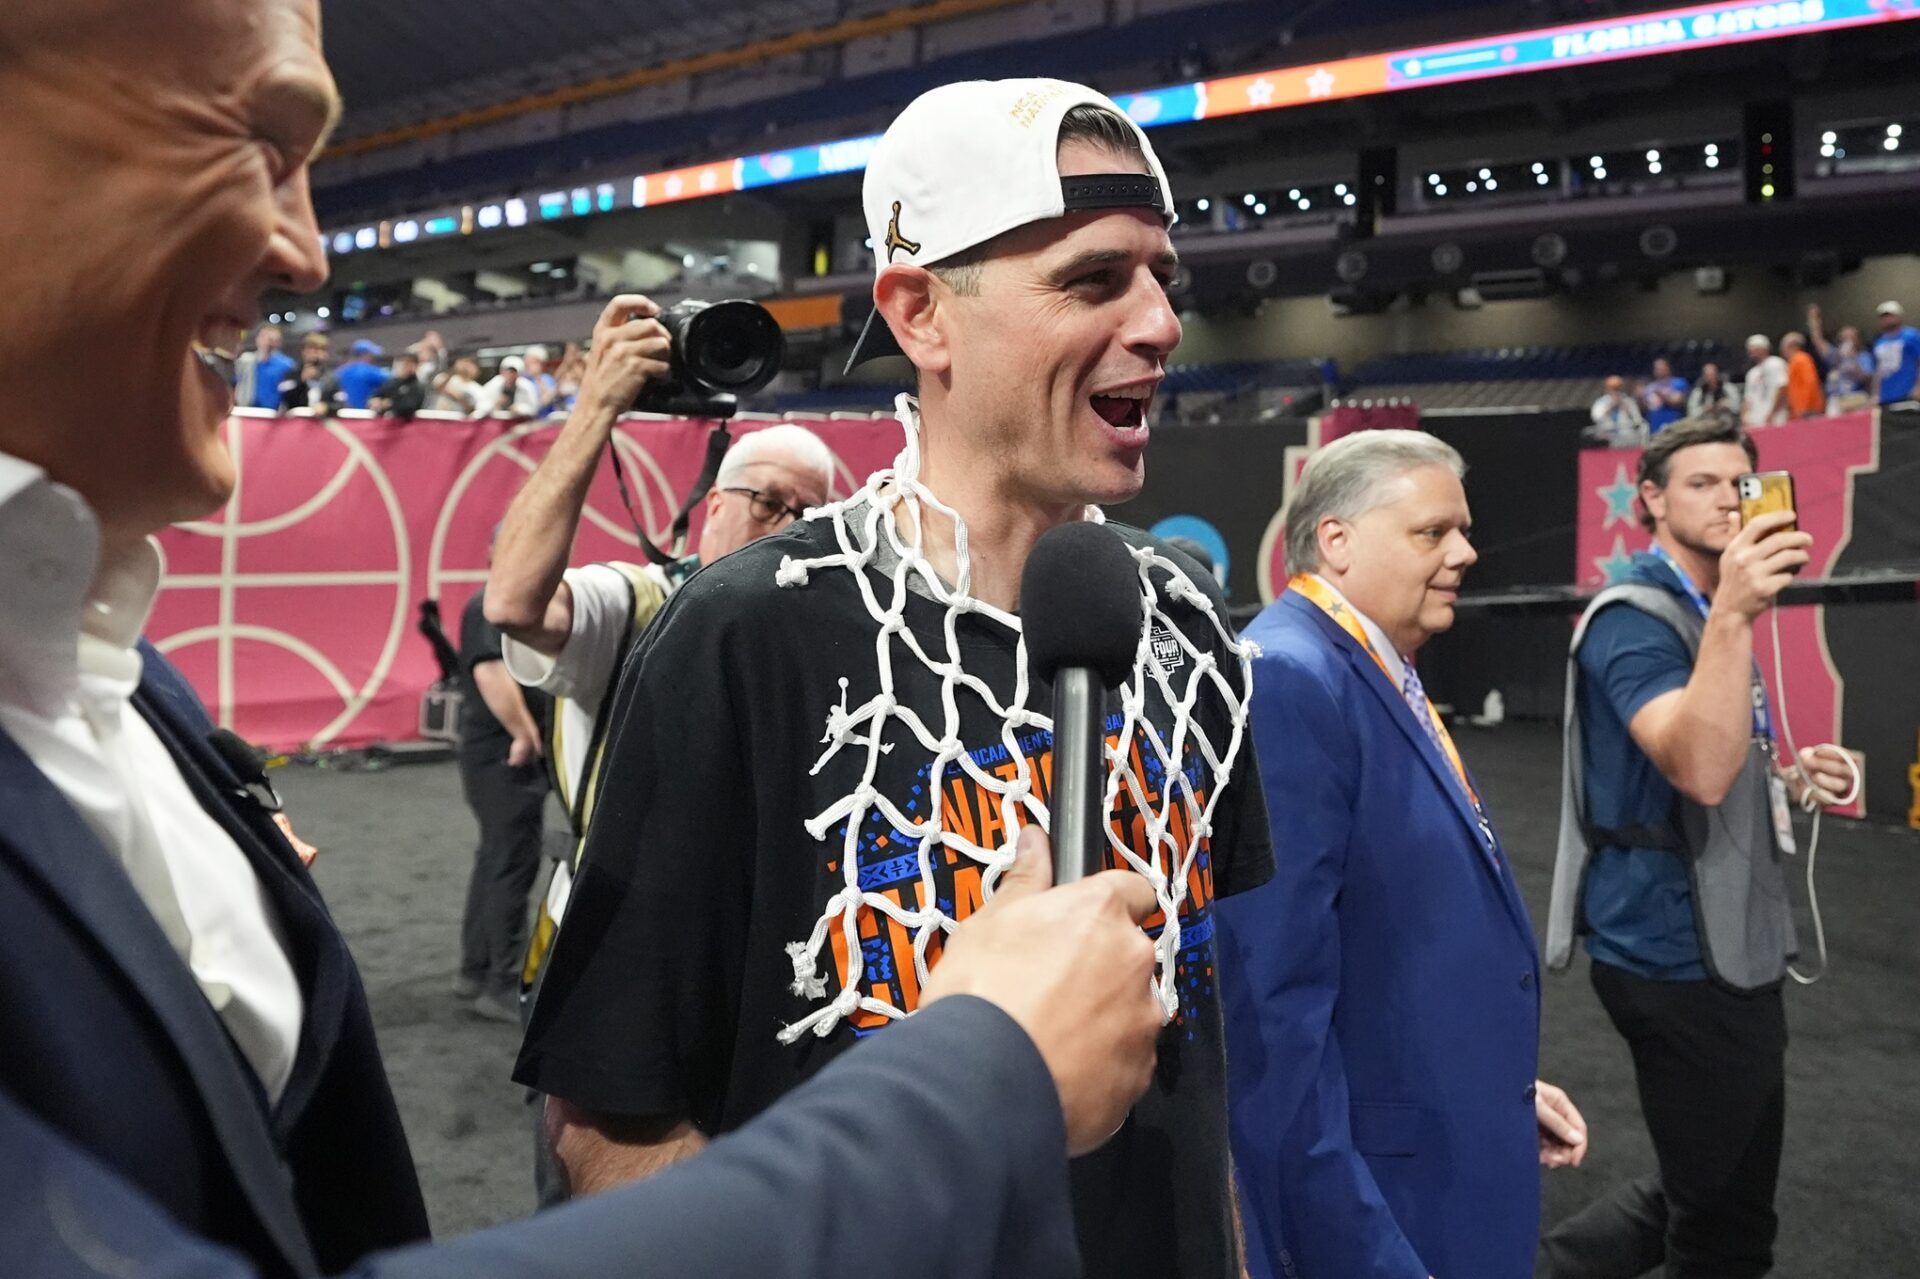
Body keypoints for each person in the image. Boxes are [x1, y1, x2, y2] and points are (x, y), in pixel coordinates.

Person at [0, 5, 1192, 1273]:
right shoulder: (712, 617)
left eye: (1167, 277)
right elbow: (520, 608)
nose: (304, 250)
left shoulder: (127, 696)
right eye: (250, 136)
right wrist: (987, 1077)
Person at [514, 78, 1273, 1279]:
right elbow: (607, 1124)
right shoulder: (747, 633)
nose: (1162, 321)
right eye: (1092, 279)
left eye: (1162, 277)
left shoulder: (1180, 619)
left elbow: (1206, 1054)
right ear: (921, 315)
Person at [1216, 430, 1587, 1279]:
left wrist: (1490, 1093)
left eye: (1461, 529)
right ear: (1336, 539)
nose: (1466, 551)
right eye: (1432, 532)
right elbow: (1276, 1017)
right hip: (1382, 1208)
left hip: (1430, 1152)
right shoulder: (1293, 677)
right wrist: (1355, 1248)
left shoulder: (1364, 667)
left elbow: (1389, 938)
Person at [1540, 419, 1855, 1279]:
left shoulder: (1703, 608)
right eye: (1701, 483)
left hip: (1728, 945)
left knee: (1713, 1194)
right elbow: (1699, 771)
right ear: (1650, 500)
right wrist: (1737, 612)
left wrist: (1791, 780)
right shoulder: (1632, 617)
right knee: (1724, 1229)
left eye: (1739, 483)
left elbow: (1721, 760)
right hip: (1672, 953)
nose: (1727, 499)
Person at [486, 296, 834, 999]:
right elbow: (514, 601)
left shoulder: (822, 628)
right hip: (615, 951)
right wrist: (595, 408)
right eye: (767, 501)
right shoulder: (637, 603)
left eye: (810, 514)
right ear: (714, 507)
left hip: (757, 961)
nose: (787, 526)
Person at [456, 567, 552, 1023]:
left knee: (496, 858)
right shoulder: (491, 604)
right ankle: (500, 983)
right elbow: (490, 670)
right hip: (504, 756)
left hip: (494, 755)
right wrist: (525, 735)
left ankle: (475, 971)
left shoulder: (499, 603)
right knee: (513, 863)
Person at [1805, 303, 1873, 410]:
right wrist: (1814, 321)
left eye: (1850, 337)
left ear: (1857, 340)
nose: (1847, 340)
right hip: (1836, 399)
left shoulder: (1863, 356)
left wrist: (1853, 359)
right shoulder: (1836, 355)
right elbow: (1818, 341)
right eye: (1844, 337)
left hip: (1856, 397)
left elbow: (1866, 378)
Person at [234, 324, 296, 411]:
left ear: (279, 342)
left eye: (272, 339)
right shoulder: (245, 361)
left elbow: (291, 391)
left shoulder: (287, 365)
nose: (268, 342)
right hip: (246, 410)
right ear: (257, 339)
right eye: (264, 337)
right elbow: (237, 383)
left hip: (273, 414)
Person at [1870, 299, 1920, 405]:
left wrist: (1918, 388)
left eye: (1890, 316)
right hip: (1885, 397)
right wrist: (1875, 394)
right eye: (1883, 317)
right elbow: (1878, 371)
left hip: (1909, 394)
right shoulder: (1879, 343)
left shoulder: (1911, 336)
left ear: (1899, 317)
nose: (1887, 319)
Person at [1740, 334, 1788, 427]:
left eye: (1755, 348)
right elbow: (1748, 398)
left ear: (1764, 349)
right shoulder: (1752, 373)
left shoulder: (1776, 363)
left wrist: (1772, 413)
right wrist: (1744, 416)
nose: (1751, 351)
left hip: (1775, 418)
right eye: (1750, 349)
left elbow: (1782, 388)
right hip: (1755, 420)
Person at [1589, 374, 1648, 446]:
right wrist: (1610, 408)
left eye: (1617, 388)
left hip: (1626, 433)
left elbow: (1637, 420)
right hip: (1608, 432)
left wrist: (1628, 411)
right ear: (1607, 389)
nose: (1615, 391)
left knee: (1644, 427)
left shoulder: (1628, 401)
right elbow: (1596, 418)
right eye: (1612, 388)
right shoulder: (1601, 402)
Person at [331, 338, 389, 411]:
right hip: (367, 412)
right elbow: (392, 380)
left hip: (347, 412)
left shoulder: (342, 370)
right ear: (366, 355)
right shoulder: (371, 371)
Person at [369, 349, 427, 419]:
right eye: (400, 363)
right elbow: (377, 395)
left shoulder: (417, 386)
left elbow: (409, 407)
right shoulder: (391, 383)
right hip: (386, 425)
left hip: (407, 426)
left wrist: (388, 404)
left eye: (406, 364)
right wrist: (375, 401)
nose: (402, 367)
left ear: (414, 366)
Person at [1637, 357, 1689, 434]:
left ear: (1668, 368)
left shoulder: (1678, 383)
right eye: (1657, 368)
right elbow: (1646, 408)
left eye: (1661, 368)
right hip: (1655, 428)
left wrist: (1661, 394)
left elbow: (1677, 402)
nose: (1659, 370)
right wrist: (1640, 398)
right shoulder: (1650, 387)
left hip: (1674, 426)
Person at [476, 355, 541, 416]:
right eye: (507, 372)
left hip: (519, 420)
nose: (510, 376)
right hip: (496, 420)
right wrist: (495, 403)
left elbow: (534, 409)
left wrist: (519, 409)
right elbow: (480, 406)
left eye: (513, 373)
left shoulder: (526, 386)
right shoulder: (494, 384)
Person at [1780, 331, 1824, 419]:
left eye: (1783, 347)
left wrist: (1805, 406)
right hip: (1800, 408)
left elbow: (1810, 382)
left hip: (1808, 409)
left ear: (1792, 346)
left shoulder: (1801, 359)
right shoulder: (1793, 361)